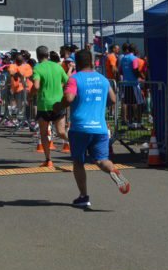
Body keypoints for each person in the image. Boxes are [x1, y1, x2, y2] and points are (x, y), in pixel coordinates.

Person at [54, 49, 129, 208]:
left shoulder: (74, 78)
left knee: (78, 162)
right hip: (100, 128)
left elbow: (68, 98)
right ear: (91, 61)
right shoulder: (103, 79)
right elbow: (114, 99)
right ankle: (113, 171)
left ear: (78, 63)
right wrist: (100, 104)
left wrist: (58, 106)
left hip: (80, 128)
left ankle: (83, 196)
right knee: (101, 160)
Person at [33, 45, 69, 167]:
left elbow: (36, 86)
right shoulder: (57, 67)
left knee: (43, 133)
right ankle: (76, 146)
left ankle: (48, 160)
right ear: (47, 55)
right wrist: (60, 88)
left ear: (38, 56)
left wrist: (30, 94)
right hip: (58, 103)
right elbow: (67, 80)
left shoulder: (38, 68)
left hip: (44, 104)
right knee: (61, 132)